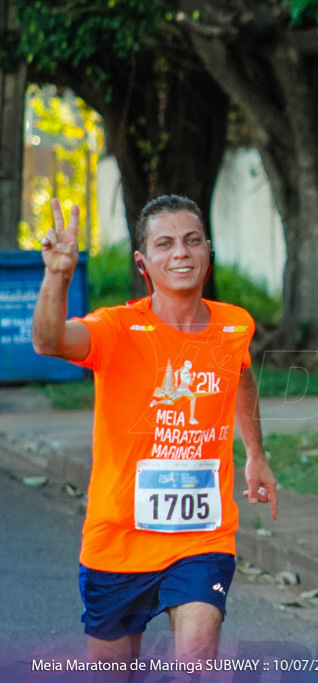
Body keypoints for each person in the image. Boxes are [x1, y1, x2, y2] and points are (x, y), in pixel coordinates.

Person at [32, 196, 278, 665]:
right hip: (118, 540)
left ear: (209, 250)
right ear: (143, 262)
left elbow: (241, 373)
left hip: (201, 538)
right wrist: (58, 275)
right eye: (164, 244)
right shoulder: (115, 329)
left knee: (198, 657)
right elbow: (48, 341)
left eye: (191, 241)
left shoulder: (235, 325)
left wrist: (257, 455)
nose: (181, 253)